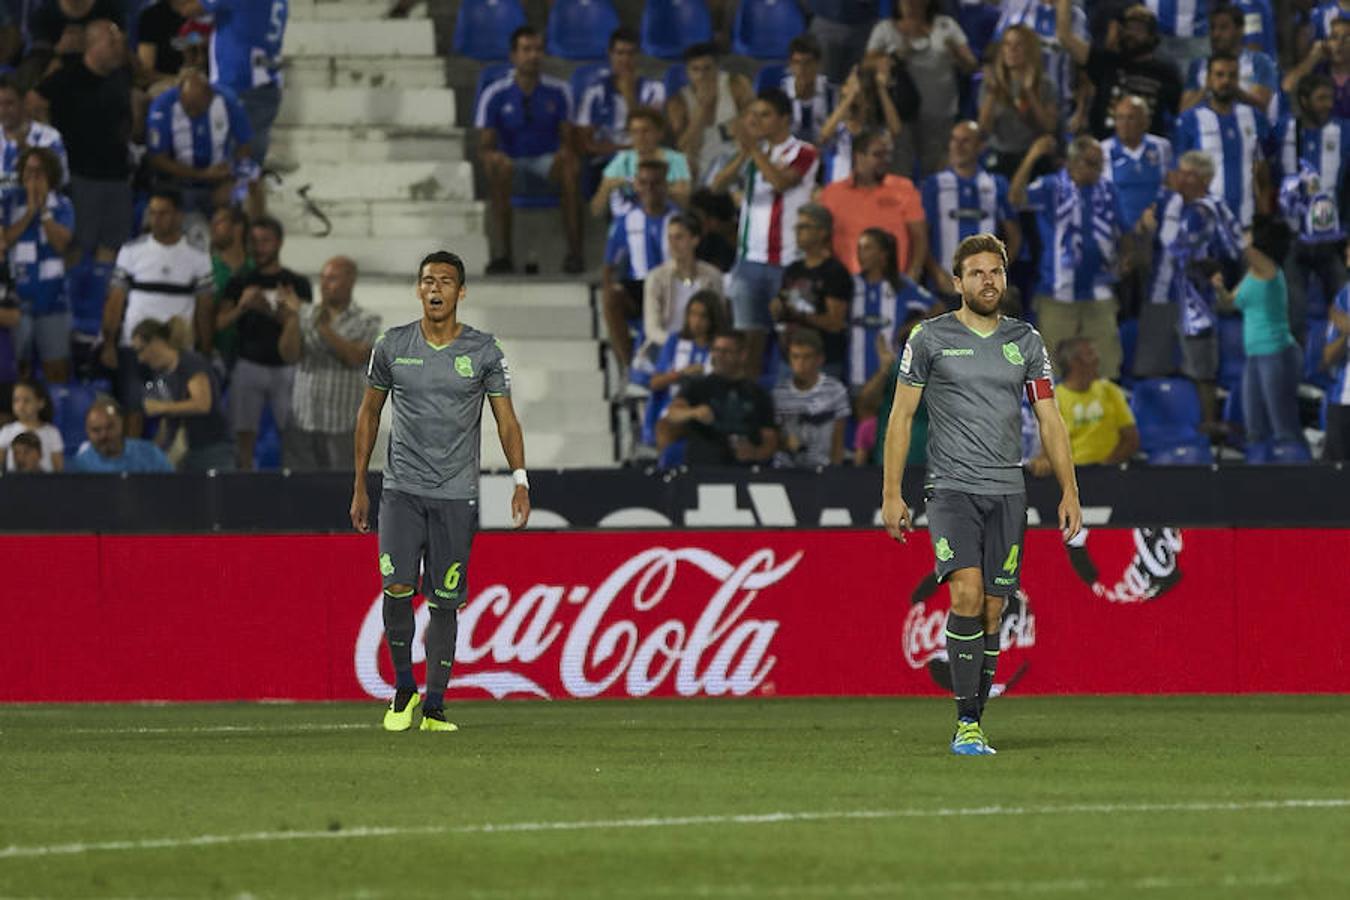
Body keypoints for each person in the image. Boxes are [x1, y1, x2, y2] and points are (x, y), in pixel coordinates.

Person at [881, 232, 1080, 756]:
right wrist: (892, 494)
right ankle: (966, 722)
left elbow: (1050, 418)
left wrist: (1069, 490)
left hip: (1008, 491)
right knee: (966, 595)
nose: (987, 281)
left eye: (995, 272)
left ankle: (975, 717)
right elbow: (901, 418)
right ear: (957, 282)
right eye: (977, 273)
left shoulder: (1026, 341)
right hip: (949, 489)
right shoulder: (928, 338)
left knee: (993, 610)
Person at [352, 250, 530, 733]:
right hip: (401, 491)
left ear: (460, 292)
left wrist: (520, 480)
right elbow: (369, 413)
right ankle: (404, 687)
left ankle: (433, 706)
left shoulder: (484, 351)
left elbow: (506, 420)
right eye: (428, 280)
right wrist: (360, 486)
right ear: (418, 289)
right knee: (396, 585)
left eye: (446, 281)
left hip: (456, 494)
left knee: (445, 598)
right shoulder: (392, 345)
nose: (435, 289)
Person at [712, 88, 819, 377]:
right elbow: (717, 186)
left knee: (795, 340)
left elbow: (781, 183)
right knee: (748, 344)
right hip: (748, 263)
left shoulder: (804, 152)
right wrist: (745, 153)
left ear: (784, 118)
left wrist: (754, 150)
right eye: (753, 115)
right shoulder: (750, 154)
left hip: (791, 263)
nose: (756, 121)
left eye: (764, 115)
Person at [1137, 150, 1244, 426]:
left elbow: (1234, 248)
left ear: (1202, 179)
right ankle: (1156, 430)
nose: (1178, 177)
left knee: (1201, 371)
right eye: (1179, 171)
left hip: (1197, 302)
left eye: (1186, 173)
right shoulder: (1165, 200)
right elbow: (1144, 231)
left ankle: (1207, 427)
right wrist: (1146, 227)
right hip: (1159, 295)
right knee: (1152, 367)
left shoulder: (1214, 208)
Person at [101, 188, 214, 438]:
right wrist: (109, 343)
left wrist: (205, 348)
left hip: (178, 349)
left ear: (178, 216)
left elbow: (205, 309)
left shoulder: (198, 256)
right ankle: (131, 470)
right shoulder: (131, 251)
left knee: (180, 408)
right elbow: (115, 301)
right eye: (152, 213)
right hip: (135, 346)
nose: (156, 219)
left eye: (163, 213)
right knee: (134, 407)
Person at [1011, 135, 1124, 379]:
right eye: (1091, 163)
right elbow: (1015, 198)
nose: (1097, 170)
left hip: (1100, 291)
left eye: (1099, 164)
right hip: (1057, 293)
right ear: (1072, 163)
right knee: (1053, 369)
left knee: (1106, 367)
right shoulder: (1051, 187)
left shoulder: (1108, 190)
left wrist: (1127, 257)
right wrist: (1032, 156)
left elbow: (1122, 230)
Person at [474, 26, 583, 275]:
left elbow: (568, 140)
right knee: (496, 164)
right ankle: (503, 255)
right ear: (513, 55)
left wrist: (565, 153)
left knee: (570, 165)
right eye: (526, 50)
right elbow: (485, 145)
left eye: (538, 50)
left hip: (547, 161)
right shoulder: (495, 93)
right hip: (511, 162)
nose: (533, 55)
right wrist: (495, 156)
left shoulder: (559, 90)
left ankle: (575, 254)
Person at [31, 18, 132, 263]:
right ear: (92, 45)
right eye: (112, 42)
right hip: (82, 176)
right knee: (78, 245)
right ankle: (72, 297)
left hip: (118, 176)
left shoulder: (120, 77)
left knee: (113, 245)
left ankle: (102, 297)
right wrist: (50, 141)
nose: (119, 47)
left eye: (120, 42)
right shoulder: (69, 77)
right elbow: (34, 101)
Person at [215, 215, 312, 469]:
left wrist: (278, 312)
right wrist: (242, 307)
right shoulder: (239, 281)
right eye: (254, 241)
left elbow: (307, 325)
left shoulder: (297, 283)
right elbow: (219, 323)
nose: (259, 247)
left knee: (291, 435)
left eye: (265, 241)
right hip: (248, 364)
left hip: (286, 367)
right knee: (242, 435)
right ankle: (243, 488)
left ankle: (292, 487)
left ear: (279, 243)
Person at [1212, 216, 1307, 452]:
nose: (1246, 236)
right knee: (1254, 428)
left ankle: (1297, 473)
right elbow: (1229, 304)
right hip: (1255, 356)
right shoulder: (1253, 273)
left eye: (1250, 234)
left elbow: (1244, 249)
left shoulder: (1268, 269)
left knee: (1283, 425)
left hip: (1277, 354)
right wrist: (1218, 288)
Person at [277, 256, 380, 471]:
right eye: (322, 278)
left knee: (339, 491)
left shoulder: (366, 319)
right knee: (302, 492)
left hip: (342, 423)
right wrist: (293, 319)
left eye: (332, 278)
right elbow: (289, 354)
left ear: (350, 281)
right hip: (304, 419)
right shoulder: (304, 314)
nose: (325, 284)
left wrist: (321, 327)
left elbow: (354, 357)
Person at [1275, 74, 1350, 347]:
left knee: (1345, 301)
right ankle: (1296, 372)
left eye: (1330, 98)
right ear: (1304, 101)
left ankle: (1340, 368)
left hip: (1332, 241)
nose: (1328, 104)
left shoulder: (1344, 132)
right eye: (1321, 99)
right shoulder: (1283, 130)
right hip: (1293, 238)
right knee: (1293, 310)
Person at [867, 0, 978, 178]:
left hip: (939, 113)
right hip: (899, 116)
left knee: (937, 170)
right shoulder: (885, 29)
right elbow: (867, 64)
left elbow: (971, 66)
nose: (910, 4)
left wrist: (957, 54)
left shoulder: (946, 25)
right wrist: (892, 57)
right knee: (899, 171)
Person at [176, 1, 286, 168]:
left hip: (241, 85)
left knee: (235, 173)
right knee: (248, 170)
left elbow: (187, 7)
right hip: (265, 84)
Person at [921, 121, 1022, 299]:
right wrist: (936, 272)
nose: (958, 147)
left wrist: (996, 272)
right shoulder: (933, 185)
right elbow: (920, 237)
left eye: (965, 141)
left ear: (980, 147)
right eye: (954, 140)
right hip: (945, 288)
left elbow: (1014, 237)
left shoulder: (996, 185)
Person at [1056, 1, 1183, 140]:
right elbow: (1065, 38)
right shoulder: (1108, 61)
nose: (1131, 34)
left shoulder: (1166, 72)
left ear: (1152, 37)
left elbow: (1180, 112)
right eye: (1128, 28)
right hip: (1104, 144)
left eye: (1138, 29)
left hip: (1146, 149)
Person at [1174, 52, 1273, 228]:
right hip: (1205, 225)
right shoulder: (1190, 120)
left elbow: (1263, 173)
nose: (1226, 81)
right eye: (1219, 75)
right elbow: (1178, 177)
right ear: (1208, 80)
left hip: (1246, 224)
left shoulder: (1254, 117)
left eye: (1232, 76)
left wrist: (1264, 215)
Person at [2, 146, 75, 384]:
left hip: (52, 300)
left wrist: (43, 212)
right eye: (29, 171)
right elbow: (3, 240)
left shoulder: (63, 205)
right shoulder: (9, 202)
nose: (33, 177)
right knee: (15, 371)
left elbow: (61, 244)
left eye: (40, 172)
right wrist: (29, 213)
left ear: (51, 175)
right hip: (16, 300)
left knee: (56, 371)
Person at [1100, 94, 1175, 318]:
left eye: (1131, 118)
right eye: (1120, 118)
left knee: (1152, 301)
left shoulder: (1162, 148)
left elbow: (1169, 186)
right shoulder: (1103, 150)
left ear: (1145, 121)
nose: (1123, 124)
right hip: (1118, 238)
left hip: (1154, 234)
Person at [657, 329, 778, 466]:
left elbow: (770, 439)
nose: (719, 356)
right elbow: (673, 414)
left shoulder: (758, 394)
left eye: (726, 352)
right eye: (716, 350)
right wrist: (693, 412)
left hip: (745, 470)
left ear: (742, 355)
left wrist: (755, 453)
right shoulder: (697, 385)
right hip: (702, 467)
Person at [600, 159, 676, 374]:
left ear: (665, 185)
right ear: (637, 186)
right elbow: (609, 264)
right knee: (611, 298)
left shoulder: (678, 218)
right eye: (644, 183)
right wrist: (608, 288)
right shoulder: (626, 220)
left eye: (656, 183)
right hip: (639, 286)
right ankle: (629, 368)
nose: (650, 188)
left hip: (671, 284)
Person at [145, 67, 255, 215]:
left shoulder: (229, 101)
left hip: (219, 180)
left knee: (250, 187)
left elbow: (245, 146)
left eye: (197, 109)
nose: (192, 114)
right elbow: (157, 159)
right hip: (178, 182)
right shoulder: (162, 107)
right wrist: (202, 174)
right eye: (188, 109)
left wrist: (233, 181)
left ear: (210, 95)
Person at [819, 129, 927, 278]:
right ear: (858, 157)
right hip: (846, 286)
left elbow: (919, 238)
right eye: (878, 155)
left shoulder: (904, 188)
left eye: (887, 154)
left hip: (892, 284)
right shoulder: (831, 193)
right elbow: (822, 240)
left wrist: (913, 273)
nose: (885, 160)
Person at [131, 317, 233, 471]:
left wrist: (161, 407)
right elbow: (169, 420)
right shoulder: (161, 376)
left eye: (141, 350)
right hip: (186, 453)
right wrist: (156, 451)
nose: (140, 359)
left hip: (213, 448)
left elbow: (202, 404)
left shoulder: (191, 363)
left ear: (157, 342)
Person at [1028, 337, 1139, 472]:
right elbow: (1049, 447)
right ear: (1074, 363)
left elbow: (1131, 439)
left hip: (1110, 472)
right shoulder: (1054, 400)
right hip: (1073, 474)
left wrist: (1106, 466)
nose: (1097, 358)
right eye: (1090, 354)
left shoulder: (1110, 391)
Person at [848, 227, 938, 391]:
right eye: (859, 248)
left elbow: (938, 309)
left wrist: (908, 329)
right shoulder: (850, 285)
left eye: (867, 248)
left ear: (883, 254)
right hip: (854, 376)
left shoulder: (901, 286)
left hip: (892, 377)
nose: (860, 254)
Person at [772, 203, 853, 381]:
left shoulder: (834, 272)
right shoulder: (793, 269)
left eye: (804, 226)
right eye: (797, 227)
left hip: (823, 362)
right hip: (789, 359)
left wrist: (799, 315)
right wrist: (777, 308)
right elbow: (782, 305)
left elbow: (835, 322)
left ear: (823, 232)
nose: (797, 231)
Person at [574, 27, 666, 167]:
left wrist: (629, 95)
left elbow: (650, 135)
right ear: (610, 54)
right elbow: (586, 143)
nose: (625, 59)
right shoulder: (595, 92)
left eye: (631, 53)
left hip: (644, 160)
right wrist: (624, 150)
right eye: (620, 53)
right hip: (605, 160)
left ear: (639, 56)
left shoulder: (655, 89)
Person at [640, 289, 721, 447]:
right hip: (675, 408)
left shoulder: (721, 345)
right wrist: (681, 374)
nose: (696, 321)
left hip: (712, 408)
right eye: (692, 314)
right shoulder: (674, 341)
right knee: (667, 426)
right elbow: (655, 383)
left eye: (703, 316)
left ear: (713, 319)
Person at [666, 42, 753, 185]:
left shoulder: (735, 84)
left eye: (707, 69)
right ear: (687, 72)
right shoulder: (678, 102)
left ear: (717, 68)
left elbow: (754, 124)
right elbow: (683, 148)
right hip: (703, 163)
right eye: (696, 70)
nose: (702, 75)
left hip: (738, 154)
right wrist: (701, 109)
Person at [977, 25, 1058, 178]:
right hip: (1000, 158)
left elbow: (1048, 127)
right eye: (1007, 44)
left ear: (1030, 49)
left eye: (1018, 44)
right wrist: (992, 93)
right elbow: (983, 131)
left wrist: (1029, 93)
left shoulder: (1045, 85)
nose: (1011, 50)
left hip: (1033, 157)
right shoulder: (990, 84)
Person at [641, 212, 724, 356]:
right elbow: (652, 328)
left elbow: (719, 321)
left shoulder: (713, 276)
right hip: (665, 346)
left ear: (695, 240)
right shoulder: (656, 278)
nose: (673, 244)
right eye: (670, 237)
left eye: (679, 237)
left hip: (703, 348)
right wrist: (678, 345)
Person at [588, 108, 690, 218]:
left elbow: (684, 202)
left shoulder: (676, 160)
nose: (640, 137)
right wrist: (607, 188)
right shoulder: (621, 161)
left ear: (659, 133)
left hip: (666, 222)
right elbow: (596, 211)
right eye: (634, 132)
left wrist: (648, 187)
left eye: (646, 131)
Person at [1179, 3, 1278, 115]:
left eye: (1223, 28)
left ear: (1240, 30)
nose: (1216, 34)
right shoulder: (1198, 65)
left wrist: (1229, 87)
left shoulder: (1259, 62)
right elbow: (1183, 111)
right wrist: (1207, 89)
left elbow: (1261, 108)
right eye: (1212, 28)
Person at [815, 62, 904, 184]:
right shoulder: (838, 127)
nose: (844, 90)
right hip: (836, 188)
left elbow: (896, 130)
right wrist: (850, 96)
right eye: (847, 86)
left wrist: (881, 89)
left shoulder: (876, 133)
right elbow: (823, 135)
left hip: (866, 191)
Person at [773, 328, 850, 467]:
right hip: (785, 470)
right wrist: (785, 442)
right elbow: (775, 439)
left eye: (807, 357)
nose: (801, 364)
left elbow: (838, 441)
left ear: (820, 359)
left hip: (822, 469)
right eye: (795, 357)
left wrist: (836, 473)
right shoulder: (779, 394)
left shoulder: (835, 390)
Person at [68, 394, 174, 472]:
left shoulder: (150, 454)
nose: (104, 435)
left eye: (110, 427)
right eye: (96, 430)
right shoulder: (81, 465)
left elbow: (171, 488)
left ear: (121, 425)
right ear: (87, 431)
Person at [0, 73, 67, 197]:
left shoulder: (49, 138)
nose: (3, 110)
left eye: (9, 103)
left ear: (23, 102)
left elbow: (60, 180)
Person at [207, 204, 251, 367]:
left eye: (219, 222)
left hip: (250, 354)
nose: (213, 228)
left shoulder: (255, 268)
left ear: (238, 227)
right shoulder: (206, 268)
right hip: (214, 352)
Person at [777, 35, 837, 146]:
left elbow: (837, 131)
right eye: (797, 62)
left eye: (808, 63)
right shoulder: (781, 93)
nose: (802, 69)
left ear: (818, 64)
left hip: (823, 150)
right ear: (790, 64)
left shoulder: (831, 92)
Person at [0, 379, 63, 471]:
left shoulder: (52, 432)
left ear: (40, 403)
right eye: (16, 400)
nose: (21, 405)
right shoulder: (7, 431)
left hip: (45, 484)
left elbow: (58, 469)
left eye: (26, 400)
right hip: (14, 483)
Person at [1324, 246, 1350, 459]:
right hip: (1343, 404)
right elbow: (1327, 358)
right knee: (1334, 483)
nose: (1347, 251)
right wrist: (1344, 334)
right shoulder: (1344, 297)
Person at [135, 0, 188, 90]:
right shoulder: (151, 17)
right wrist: (178, 81)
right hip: (167, 83)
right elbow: (145, 73)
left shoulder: (208, 12)